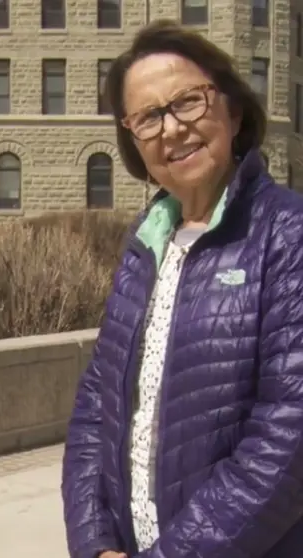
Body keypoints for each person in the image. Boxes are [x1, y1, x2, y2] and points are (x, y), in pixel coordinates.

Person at [61, 19, 303, 558]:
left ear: (233, 111)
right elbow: (95, 410)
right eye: (148, 118)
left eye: (188, 102)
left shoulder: (287, 234)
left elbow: (288, 440)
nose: (171, 128)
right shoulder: (145, 243)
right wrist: (94, 543)